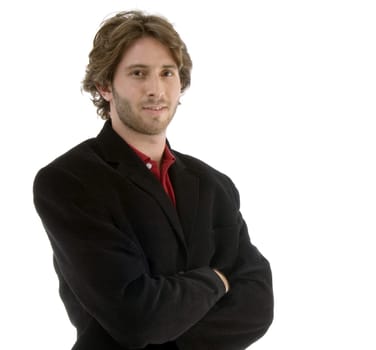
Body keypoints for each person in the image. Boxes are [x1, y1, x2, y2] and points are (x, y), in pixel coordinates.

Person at [32, 10, 273, 350]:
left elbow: (258, 308)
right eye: (138, 73)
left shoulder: (215, 185)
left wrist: (167, 316)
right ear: (104, 86)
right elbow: (135, 318)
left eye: (167, 73)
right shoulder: (69, 182)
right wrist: (217, 281)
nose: (156, 89)